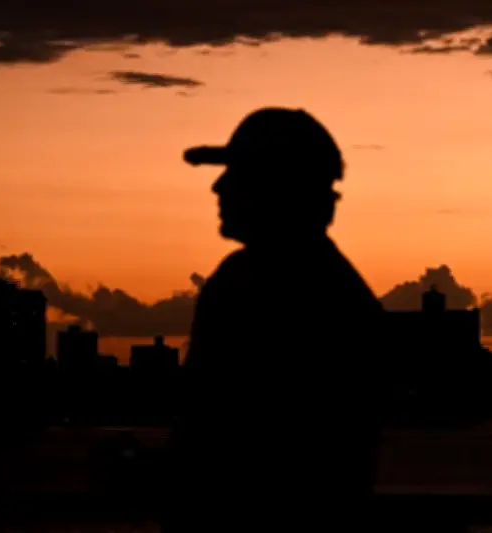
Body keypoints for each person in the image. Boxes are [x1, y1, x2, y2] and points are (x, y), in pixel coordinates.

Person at [163, 108, 385, 532]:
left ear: (276, 187)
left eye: (239, 174)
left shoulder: (272, 289)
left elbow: (244, 447)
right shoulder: (263, 280)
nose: (219, 186)